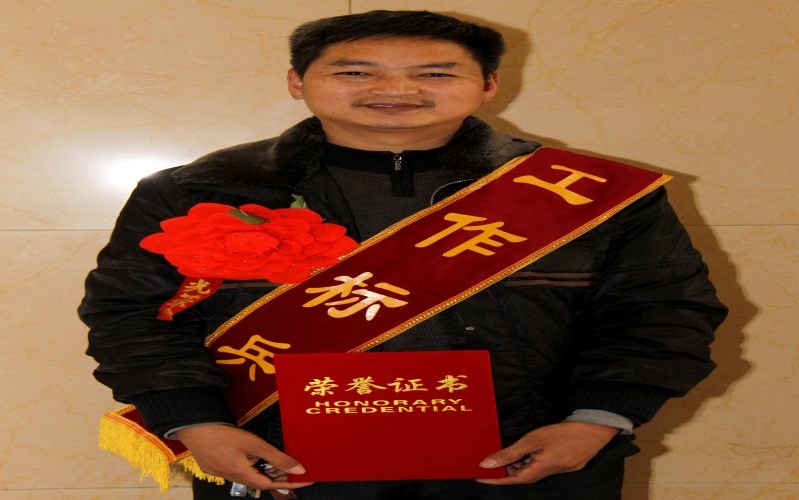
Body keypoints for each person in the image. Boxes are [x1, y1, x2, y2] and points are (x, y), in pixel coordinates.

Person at [79, 10, 728, 500]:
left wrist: (597, 421)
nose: (397, 89)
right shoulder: (197, 191)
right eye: (355, 71)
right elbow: (130, 315)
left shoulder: (584, 193)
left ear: (489, 83)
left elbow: (664, 311)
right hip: (278, 461)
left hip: (530, 460)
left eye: (435, 73)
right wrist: (195, 423)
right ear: (297, 81)